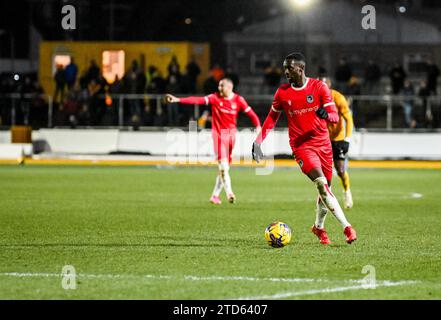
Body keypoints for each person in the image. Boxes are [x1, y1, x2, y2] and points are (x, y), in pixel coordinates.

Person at [252, 52, 357, 245]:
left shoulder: (319, 87)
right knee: (321, 185)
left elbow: (335, 116)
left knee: (326, 190)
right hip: (301, 146)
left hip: (323, 145)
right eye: (284, 68)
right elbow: (271, 119)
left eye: (289, 68)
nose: (285, 72)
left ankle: (318, 227)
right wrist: (258, 141)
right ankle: (347, 227)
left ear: (300, 68)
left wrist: (326, 114)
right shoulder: (282, 93)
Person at [166, 78, 261, 204]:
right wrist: (178, 99)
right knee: (223, 166)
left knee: (225, 168)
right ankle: (229, 193)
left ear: (229, 87)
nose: (219, 89)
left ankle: (215, 196)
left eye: (222, 86)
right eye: (219, 86)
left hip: (232, 136)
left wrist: (258, 126)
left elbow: (252, 114)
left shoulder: (238, 100)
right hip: (219, 136)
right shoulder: (215, 98)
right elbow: (197, 100)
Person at [319, 76, 354, 209]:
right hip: (323, 139)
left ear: (329, 86)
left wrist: (347, 139)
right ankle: (328, 198)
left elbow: (348, 119)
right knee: (323, 172)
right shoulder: (315, 99)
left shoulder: (338, 98)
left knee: (340, 170)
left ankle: (347, 192)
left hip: (338, 139)